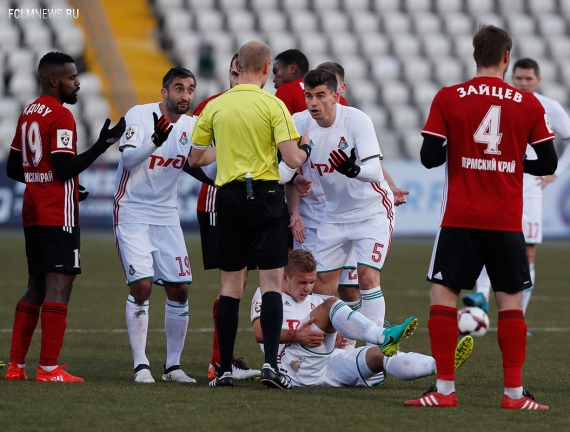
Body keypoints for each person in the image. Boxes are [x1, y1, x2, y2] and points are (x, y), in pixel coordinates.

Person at [405, 25, 555, 409]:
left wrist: (460, 143)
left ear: (474, 56)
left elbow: (428, 158)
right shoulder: (528, 103)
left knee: (443, 297)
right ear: (507, 57)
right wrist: (510, 158)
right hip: (505, 220)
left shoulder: (449, 97)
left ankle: (444, 391)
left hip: (460, 216)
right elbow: (548, 162)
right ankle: (514, 395)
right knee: (509, 302)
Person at [188, 41, 311, 389]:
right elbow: (291, 159)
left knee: (230, 286)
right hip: (267, 196)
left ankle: (224, 370)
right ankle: (271, 366)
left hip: (228, 197)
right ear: (266, 65)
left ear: (238, 65)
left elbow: (195, 159)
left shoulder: (216, 105)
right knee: (271, 285)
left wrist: (225, 149)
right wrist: (305, 148)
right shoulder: (273, 105)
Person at [5, 52, 125, 382]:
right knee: (60, 285)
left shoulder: (29, 112)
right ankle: (48, 368)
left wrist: (54, 182)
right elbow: (63, 167)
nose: (77, 83)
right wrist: (103, 144)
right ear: (54, 80)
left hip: (33, 209)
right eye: (72, 78)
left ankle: (16, 366)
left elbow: (14, 168)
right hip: (58, 213)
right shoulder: (60, 116)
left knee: (36, 285)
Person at [286, 62, 408, 343]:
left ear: (335, 96)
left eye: (319, 96)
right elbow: (286, 166)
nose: (313, 102)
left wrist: (351, 169)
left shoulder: (357, 120)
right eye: (308, 96)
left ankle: (375, 350)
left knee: (366, 279)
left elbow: (375, 171)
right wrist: (295, 179)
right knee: (321, 287)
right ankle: (329, 355)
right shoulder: (298, 122)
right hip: (335, 216)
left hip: (372, 212)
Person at [251, 250, 474, 387]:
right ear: (284, 277)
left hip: (327, 364)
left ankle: (440, 365)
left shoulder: (313, 297)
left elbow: (326, 324)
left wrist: (336, 334)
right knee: (331, 304)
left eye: (311, 282)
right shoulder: (268, 295)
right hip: (295, 367)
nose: (308, 288)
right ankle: (382, 335)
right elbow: (260, 333)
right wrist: (296, 335)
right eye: (302, 283)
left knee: (380, 356)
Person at [464, 58, 570, 324]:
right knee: (491, 238)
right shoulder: (503, 100)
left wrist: (557, 171)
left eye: (528, 79)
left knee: (528, 251)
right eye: (519, 78)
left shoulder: (549, 107)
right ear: (512, 78)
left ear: (538, 80)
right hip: (499, 181)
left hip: (530, 186)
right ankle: (481, 295)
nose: (523, 83)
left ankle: (518, 317)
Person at [113, 67, 199, 384]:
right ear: (164, 92)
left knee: (180, 288)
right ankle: (141, 365)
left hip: (166, 214)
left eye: (190, 89)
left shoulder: (193, 126)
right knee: (143, 285)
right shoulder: (140, 114)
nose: (185, 95)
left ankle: (173, 366)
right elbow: (128, 160)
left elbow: (205, 164)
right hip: (132, 209)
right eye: (179, 88)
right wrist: (155, 139)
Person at [187, 53, 261, 381]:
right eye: (233, 71)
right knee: (232, 280)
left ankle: (224, 358)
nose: (236, 76)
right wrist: (219, 180)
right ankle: (219, 362)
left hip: (250, 202)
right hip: (219, 202)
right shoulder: (210, 106)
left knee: (240, 280)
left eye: (240, 71)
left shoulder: (263, 103)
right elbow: (190, 158)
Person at [273, 49, 348, 115]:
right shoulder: (336, 96)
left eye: (276, 72)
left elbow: (283, 127)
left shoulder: (286, 90)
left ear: (293, 68)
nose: (274, 79)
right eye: (309, 96)